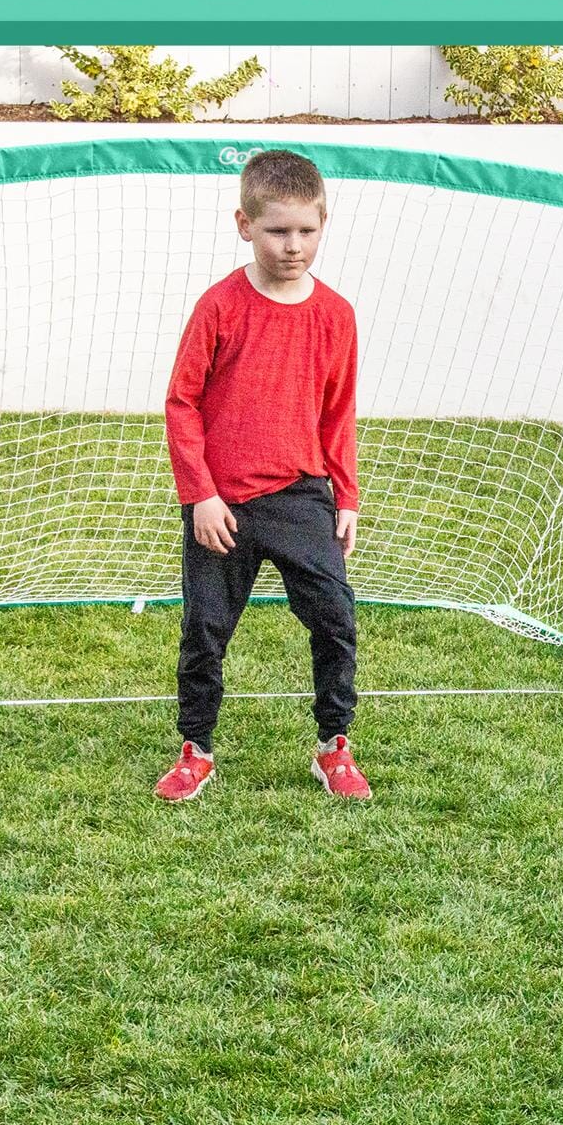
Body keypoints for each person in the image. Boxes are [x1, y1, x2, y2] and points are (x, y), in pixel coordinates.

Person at [156, 149, 370, 802]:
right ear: (245, 224)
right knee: (205, 630)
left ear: (323, 222)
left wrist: (348, 494)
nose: (293, 245)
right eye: (278, 230)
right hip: (223, 505)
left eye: (307, 230)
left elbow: (338, 412)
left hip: (303, 497)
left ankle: (334, 745)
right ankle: (197, 748)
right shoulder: (220, 307)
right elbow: (181, 403)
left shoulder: (336, 315)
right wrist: (201, 495)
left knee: (336, 617)